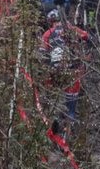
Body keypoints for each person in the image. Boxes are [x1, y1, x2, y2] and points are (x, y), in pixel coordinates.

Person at [39, 9, 92, 138]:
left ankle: (55, 131)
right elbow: (88, 37)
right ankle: (69, 137)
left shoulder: (47, 34)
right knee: (71, 107)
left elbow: (42, 54)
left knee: (54, 103)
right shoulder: (71, 28)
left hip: (54, 72)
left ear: (50, 22)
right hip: (73, 71)